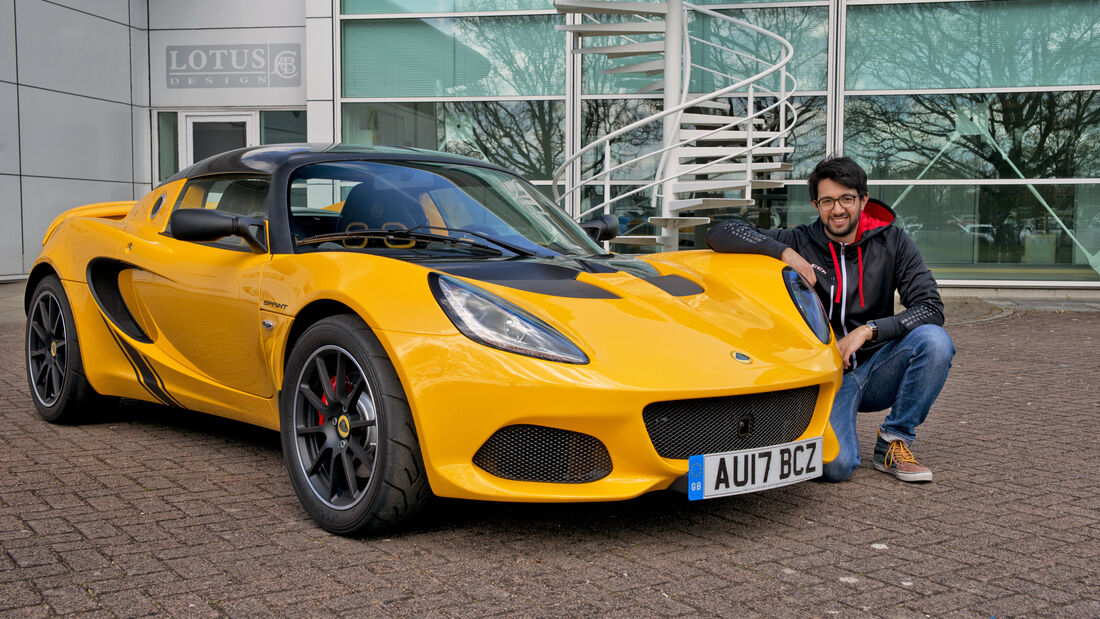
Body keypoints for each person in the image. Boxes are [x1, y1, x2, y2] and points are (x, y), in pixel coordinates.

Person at [706, 156, 954, 483]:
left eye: (846, 199)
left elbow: (930, 307)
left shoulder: (892, 242)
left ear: (863, 200)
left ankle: (895, 440)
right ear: (816, 204)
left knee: (935, 342)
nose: (837, 210)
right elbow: (722, 231)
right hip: (823, 377)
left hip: (875, 367)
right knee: (837, 466)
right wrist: (785, 254)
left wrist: (868, 331)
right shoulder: (800, 241)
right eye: (827, 201)